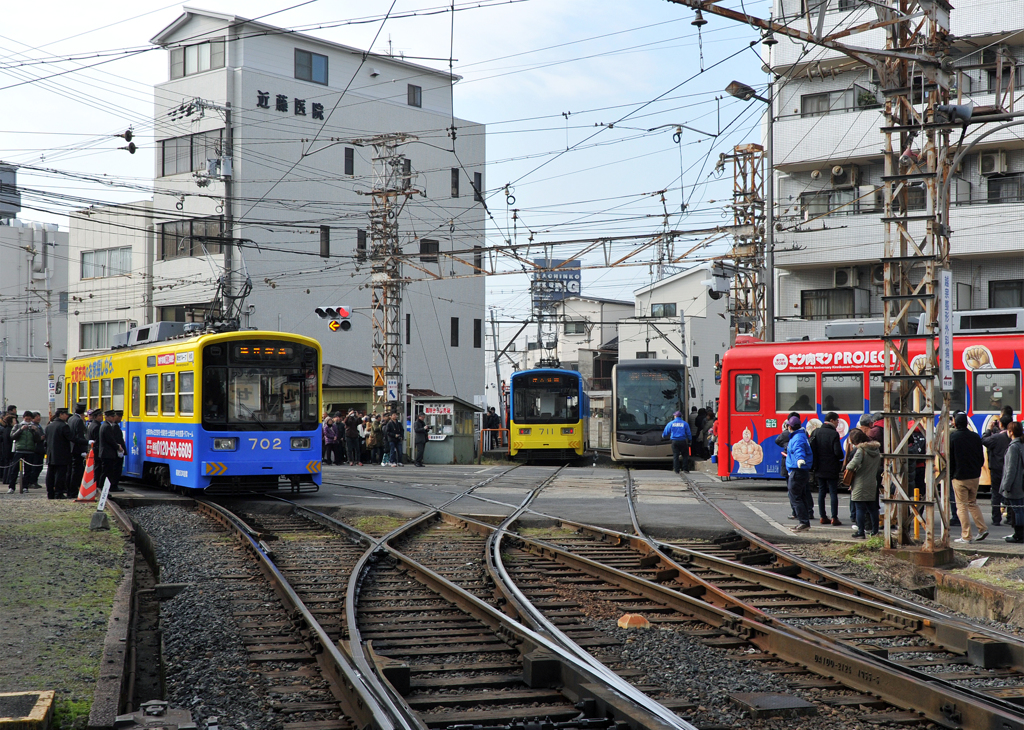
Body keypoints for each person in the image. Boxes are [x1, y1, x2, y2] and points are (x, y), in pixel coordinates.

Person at [949, 412, 988, 543]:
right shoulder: (975, 437)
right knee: (972, 503)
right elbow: (981, 457)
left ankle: (966, 536)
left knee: (962, 507)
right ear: (966, 423)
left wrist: (951, 474)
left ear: (955, 423)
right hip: (975, 476)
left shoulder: (953, 437)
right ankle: (982, 528)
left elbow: (951, 458)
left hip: (960, 477)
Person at [810, 411, 845, 526]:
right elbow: (838, 453)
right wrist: (840, 457)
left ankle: (822, 516)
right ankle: (834, 518)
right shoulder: (834, 434)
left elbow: (812, 450)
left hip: (819, 467)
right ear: (831, 421)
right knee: (833, 492)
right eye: (837, 421)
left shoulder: (816, 432)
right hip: (832, 468)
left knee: (821, 491)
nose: (837, 423)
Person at [846, 429, 881, 538]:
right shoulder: (876, 450)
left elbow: (852, 465)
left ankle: (861, 531)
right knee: (872, 509)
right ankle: (875, 531)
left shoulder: (861, 450)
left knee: (860, 508)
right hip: (872, 482)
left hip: (860, 483)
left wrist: (848, 467)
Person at [785, 416, 814, 532]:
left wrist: (799, 459)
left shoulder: (797, 438)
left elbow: (799, 450)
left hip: (797, 471)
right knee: (800, 496)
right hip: (800, 471)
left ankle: (803, 522)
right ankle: (804, 521)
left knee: (795, 497)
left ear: (789, 426)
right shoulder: (800, 435)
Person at [983, 416, 1012, 526]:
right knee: (1009, 493)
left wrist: (989, 429)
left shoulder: (995, 438)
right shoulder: (1013, 437)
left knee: (995, 494)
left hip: (996, 469)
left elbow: (984, 440)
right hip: (1009, 469)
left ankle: (996, 518)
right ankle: (1010, 517)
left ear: (1000, 424)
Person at [7, 411, 43, 494]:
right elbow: (12, 436)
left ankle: (25, 487)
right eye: (26, 419)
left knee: (28, 470)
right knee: (14, 469)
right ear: (23, 418)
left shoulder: (33, 427)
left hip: (30, 450)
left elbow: (38, 439)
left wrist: (35, 431)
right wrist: (20, 430)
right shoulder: (18, 426)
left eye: (29, 419)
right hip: (19, 449)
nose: (28, 421)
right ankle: (12, 487)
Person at [1000, 421, 1024, 543]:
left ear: (1011, 432)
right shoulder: (1021, 445)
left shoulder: (1013, 447)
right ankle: (1020, 534)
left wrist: (1006, 486)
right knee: (1020, 509)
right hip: (1022, 483)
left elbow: (1010, 469)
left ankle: (1019, 535)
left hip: (1015, 485)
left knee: (1018, 510)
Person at [44, 408, 74, 499]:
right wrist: (87, 442)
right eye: (65, 414)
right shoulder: (63, 426)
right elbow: (72, 438)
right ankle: (58, 493)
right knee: (60, 475)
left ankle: (50, 493)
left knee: (50, 474)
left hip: (51, 454)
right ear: (61, 415)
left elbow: (45, 442)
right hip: (61, 455)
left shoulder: (49, 426)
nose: (67, 416)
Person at [98, 409, 126, 493]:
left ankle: (104, 491)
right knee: (107, 473)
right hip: (107, 454)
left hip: (106, 453)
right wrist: (118, 447)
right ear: (107, 417)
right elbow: (110, 440)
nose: (114, 418)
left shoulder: (106, 425)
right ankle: (103, 490)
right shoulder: (107, 426)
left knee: (106, 472)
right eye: (112, 416)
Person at [66, 403, 89, 499]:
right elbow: (79, 436)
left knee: (71, 470)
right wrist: (85, 446)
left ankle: (69, 490)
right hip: (77, 448)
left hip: (71, 448)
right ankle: (74, 491)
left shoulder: (71, 419)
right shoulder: (79, 421)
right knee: (77, 471)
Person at [662, 410, 692, 474]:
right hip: (683, 441)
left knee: (676, 455)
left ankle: (676, 469)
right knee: (685, 455)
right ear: (681, 416)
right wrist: (690, 440)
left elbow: (665, 432)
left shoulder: (671, 423)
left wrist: (663, 436)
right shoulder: (685, 423)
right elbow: (689, 433)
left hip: (674, 441)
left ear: (675, 416)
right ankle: (685, 469)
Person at [86, 409, 105, 494]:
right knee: (98, 469)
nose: (102, 417)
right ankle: (97, 486)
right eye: (100, 415)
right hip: (97, 450)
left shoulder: (91, 425)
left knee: (95, 468)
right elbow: (98, 440)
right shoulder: (97, 426)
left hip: (93, 450)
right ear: (97, 416)